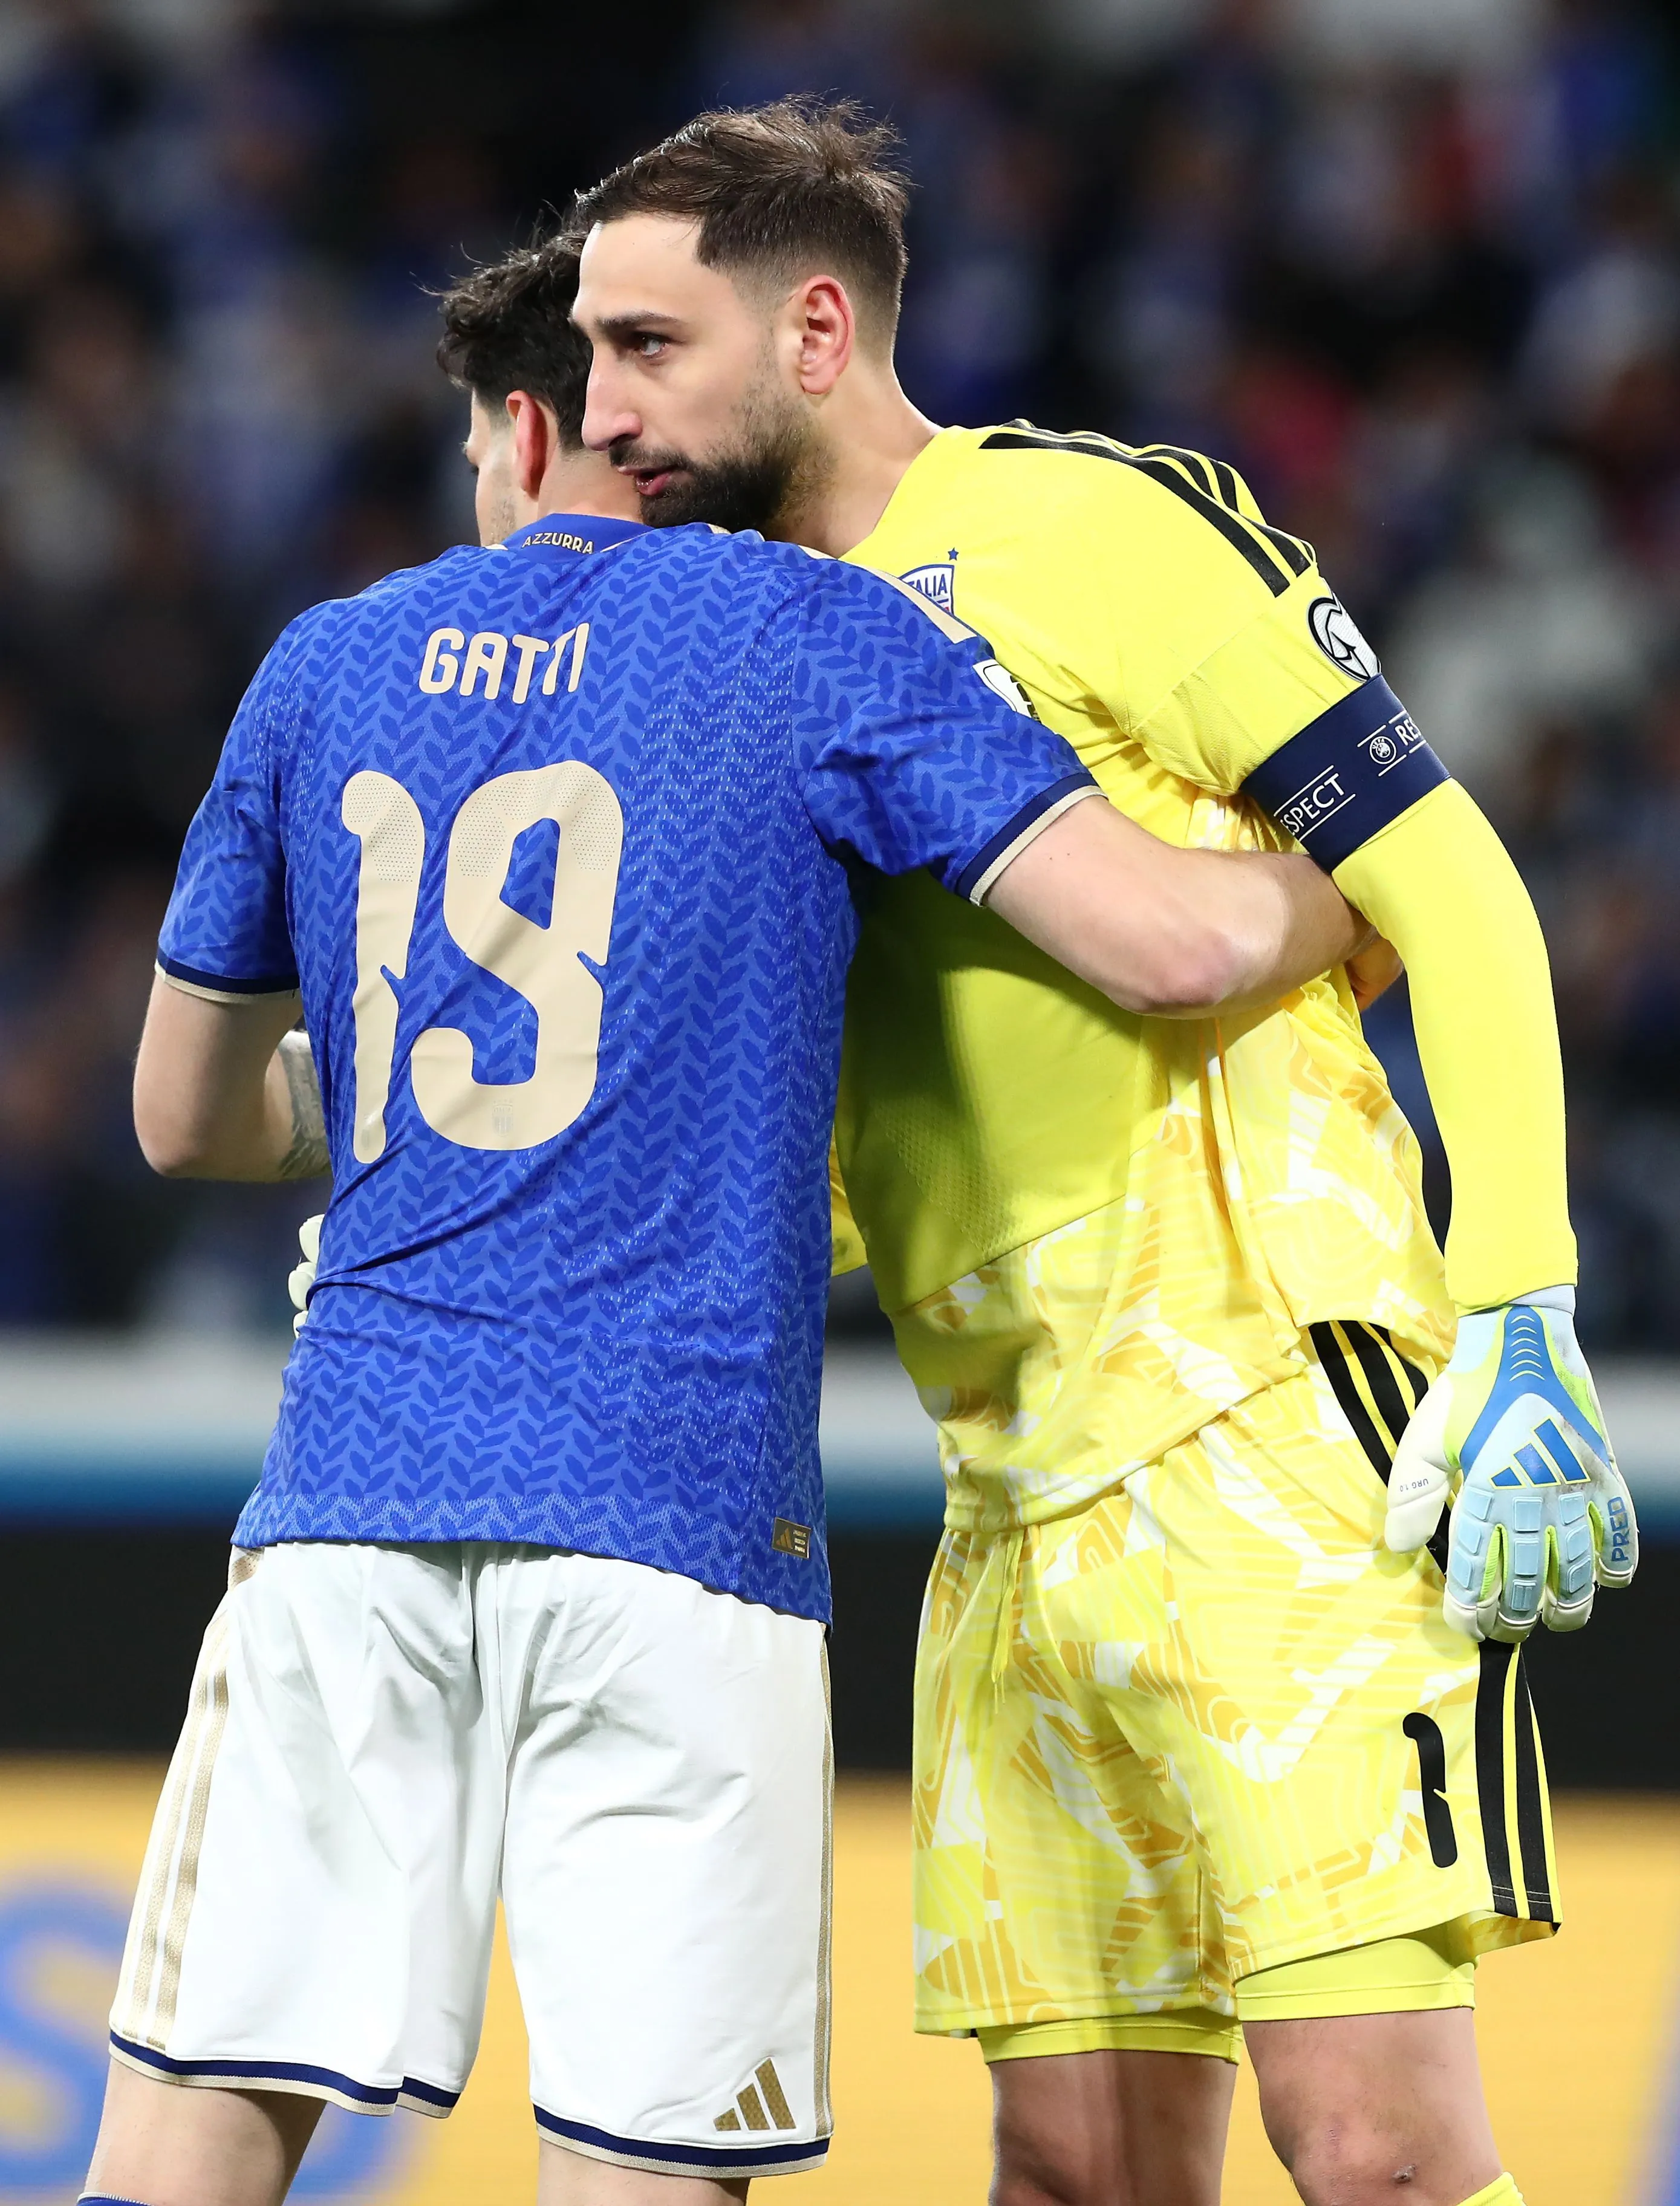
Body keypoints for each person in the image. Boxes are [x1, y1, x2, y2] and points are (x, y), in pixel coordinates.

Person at [82, 240, 1364, 2206]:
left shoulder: (324, 660)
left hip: (353, 1504)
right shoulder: (804, 635)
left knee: (185, 2153)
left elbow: (184, 1117)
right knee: (643, 2177)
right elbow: (1179, 945)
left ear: (522, 430)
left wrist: (431, 1121)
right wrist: (1346, 897)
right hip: (681, 1536)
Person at [568, 99, 1639, 2206]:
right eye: (587, 357)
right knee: (1073, 2177)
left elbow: (1465, 898)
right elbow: (873, 1146)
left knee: (1379, 2151)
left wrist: (1522, 1297)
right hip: (1015, 1487)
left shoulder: (1095, 528)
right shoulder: (733, 669)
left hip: (1271, 1429)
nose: (599, 410)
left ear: (811, 328)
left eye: (643, 347)